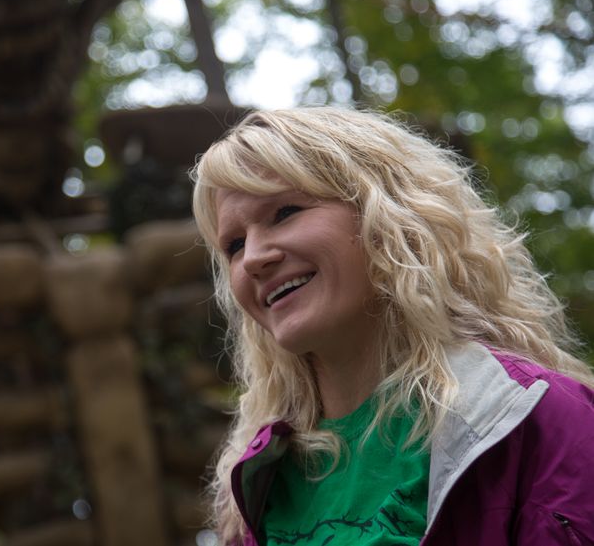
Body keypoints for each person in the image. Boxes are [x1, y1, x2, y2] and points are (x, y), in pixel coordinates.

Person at [189, 106, 594, 546]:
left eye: (284, 212)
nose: (252, 258)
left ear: (386, 215)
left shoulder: (541, 422)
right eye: (234, 245)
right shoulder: (257, 479)